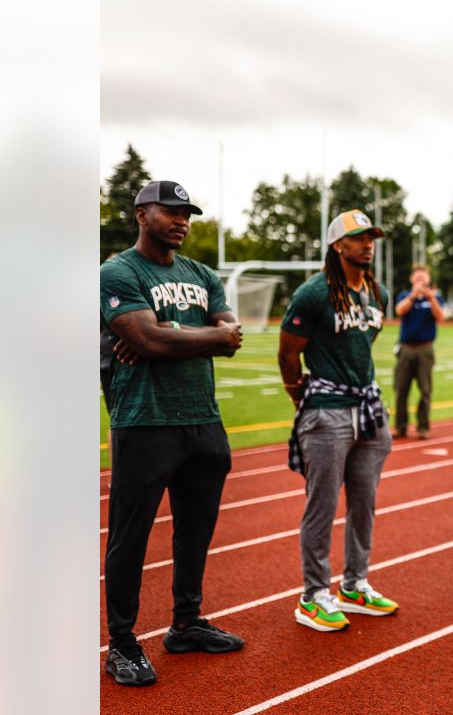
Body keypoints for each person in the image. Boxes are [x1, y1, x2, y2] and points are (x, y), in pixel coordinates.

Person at [100, 180, 246, 687]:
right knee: (130, 536)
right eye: (172, 211)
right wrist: (185, 336)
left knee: (196, 529)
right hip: (145, 420)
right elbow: (145, 336)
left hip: (202, 420)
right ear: (141, 214)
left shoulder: (202, 273)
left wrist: (171, 336)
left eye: (188, 213)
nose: (183, 220)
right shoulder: (118, 271)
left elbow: (233, 338)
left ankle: (186, 623)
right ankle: (120, 643)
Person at [278, 209, 399, 633]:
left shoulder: (376, 291)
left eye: (371, 237)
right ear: (337, 245)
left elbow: (363, 347)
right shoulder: (314, 294)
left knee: (364, 501)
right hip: (326, 409)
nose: (368, 244)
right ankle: (312, 595)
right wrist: (304, 398)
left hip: (369, 407)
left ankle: (354, 584)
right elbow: (288, 353)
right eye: (358, 238)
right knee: (323, 504)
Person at [393, 264, 444, 439]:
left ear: (429, 279)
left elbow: (440, 317)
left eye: (423, 277)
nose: (421, 280)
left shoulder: (435, 298)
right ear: (411, 279)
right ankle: (401, 426)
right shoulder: (405, 295)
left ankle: (423, 427)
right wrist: (413, 296)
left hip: (425, 349)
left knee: (425, 390)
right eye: (417, 277)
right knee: (401, 390)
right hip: (406, 349)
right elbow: (399, 310)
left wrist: (431, 298)